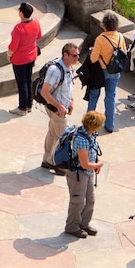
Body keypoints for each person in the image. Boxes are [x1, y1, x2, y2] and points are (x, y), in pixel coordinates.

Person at [40, 43, 80, 176]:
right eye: (74, 55)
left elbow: (67, 87)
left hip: (61, 108)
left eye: (78, 55)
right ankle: (57, 163)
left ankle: (47, 160)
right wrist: (59, 106)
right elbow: (44, 92)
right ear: (65, 55)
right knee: (64, 137)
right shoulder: (55, 70)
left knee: (53, 133)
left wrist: (71, 101)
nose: (77, 58)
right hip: (56, 109)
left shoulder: (68, 68)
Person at [65, 111, 105, 238]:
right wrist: (98, 165)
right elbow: (85, 164)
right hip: (78, 174)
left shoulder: (90, 134)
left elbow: (92, 152)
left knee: (90, 200)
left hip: (87, 173)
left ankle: (84, 223)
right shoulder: (81, 139)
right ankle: (72, 226)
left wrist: (97, 161)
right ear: (94, 125)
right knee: (77, 201)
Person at [85, 12, 126, 133]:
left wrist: (93, 50)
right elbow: (122, 52)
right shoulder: (120, 36)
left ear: (104, 25)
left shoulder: (100, 39)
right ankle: (109, 125)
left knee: (94, 96)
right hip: (114, 71)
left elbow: (93, 59)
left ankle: (88, 125)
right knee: (110, 98)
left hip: (100, 72)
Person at [7, 2, 42, 115]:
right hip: (31, 56)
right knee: (28, 80)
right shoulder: (35, 22)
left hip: (20, 59)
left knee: (22, 83)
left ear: (21, 13)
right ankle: (28, 105)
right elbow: (39, 36)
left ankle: (22, 108)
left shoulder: (18, 28)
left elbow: (13, 46)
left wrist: (8, 55)